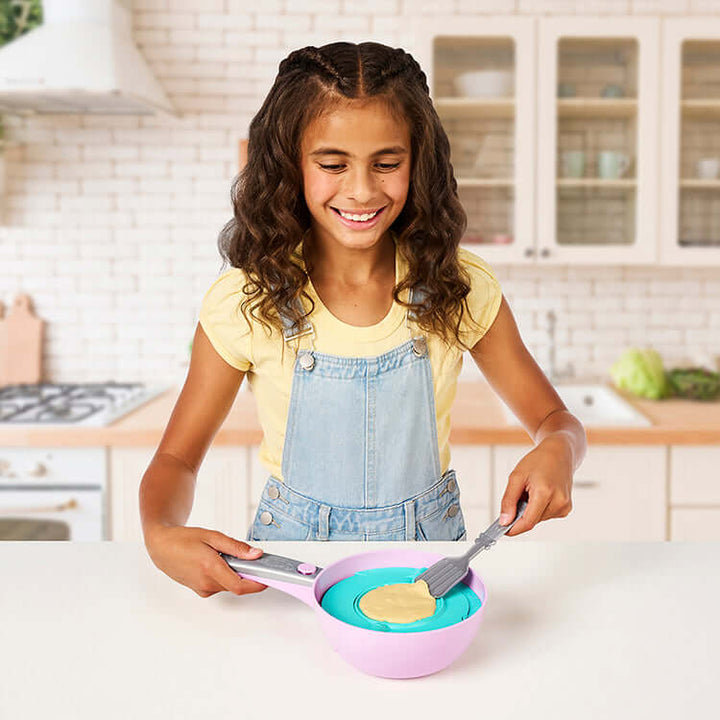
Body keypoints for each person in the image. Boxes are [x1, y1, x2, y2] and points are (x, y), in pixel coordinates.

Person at [139, 42, 587, 599]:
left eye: (387, 163)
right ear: (290, 165)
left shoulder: (458, 288)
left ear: (417, 162)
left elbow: (556, 420)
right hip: (295, 569)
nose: (362, 189)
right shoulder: (246, 301)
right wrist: (160, 534)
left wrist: (559, 449)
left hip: (427, 569)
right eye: (332, 164)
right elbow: (176, 459)